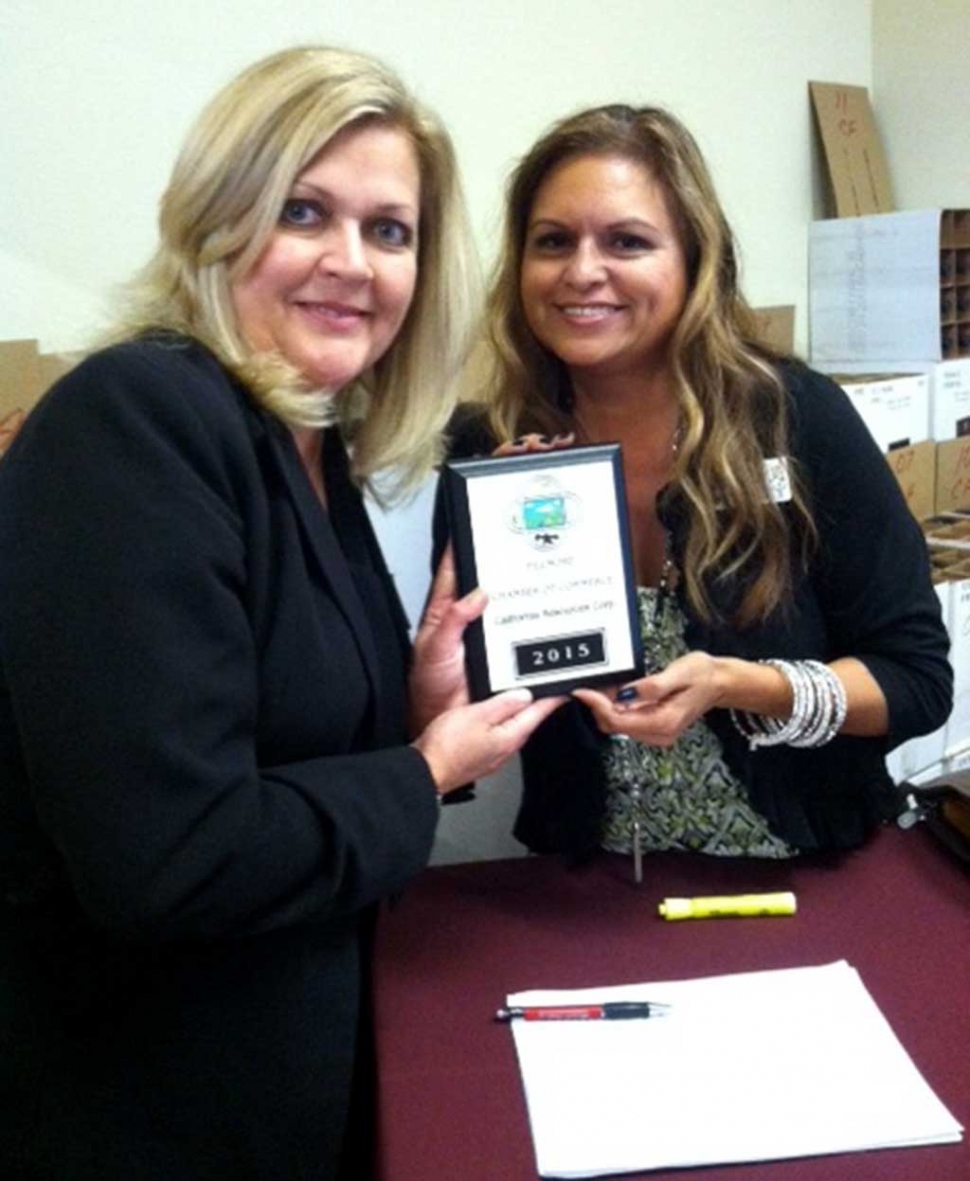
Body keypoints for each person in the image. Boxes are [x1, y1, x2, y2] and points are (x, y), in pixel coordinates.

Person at [0, 47, 562, 1180]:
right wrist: (417, 770)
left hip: (300, 1071)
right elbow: (173, 855)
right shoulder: (134, 421)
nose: (351, 263)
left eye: (389, 230)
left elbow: (279, 747)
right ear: (219, 218)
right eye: (304, 212)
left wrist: (419, 717)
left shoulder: (309, 438)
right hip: (144, 1113)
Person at [437, 103, 951, 867]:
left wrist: (742, 684)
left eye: (627, 241)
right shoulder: (490, 450)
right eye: (552, 242)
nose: (582, 271)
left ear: (693, 260)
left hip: (804, 872)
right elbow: (460, 712)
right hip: (589, 886)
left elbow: (916, 680)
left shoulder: (795, 418)